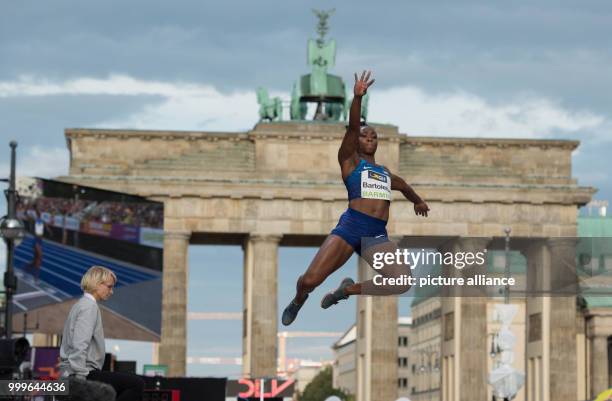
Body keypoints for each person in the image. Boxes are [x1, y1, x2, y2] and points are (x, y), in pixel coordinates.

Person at [282, 71, 430, 326]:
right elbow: (351, 127)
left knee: (402, 282)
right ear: (357, 142)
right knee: (310, 280)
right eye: (365, 136)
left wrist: (418, 200)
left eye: (373, 137)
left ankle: (346, 290)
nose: (369, 139)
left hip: (376, 235)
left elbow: (404, 186)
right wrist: (357, 97)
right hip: (351, 227)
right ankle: (298, 300)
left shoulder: (385, 173)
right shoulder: (350, 162)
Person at [59, 266, 145, 401]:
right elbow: (80, 344)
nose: (111, 291)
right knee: (136, 384)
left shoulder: (81, 304)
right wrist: (80, 381)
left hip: (77, 372)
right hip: (81, 373)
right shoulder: (89, 306)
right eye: (109, 287)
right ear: (97, 284)